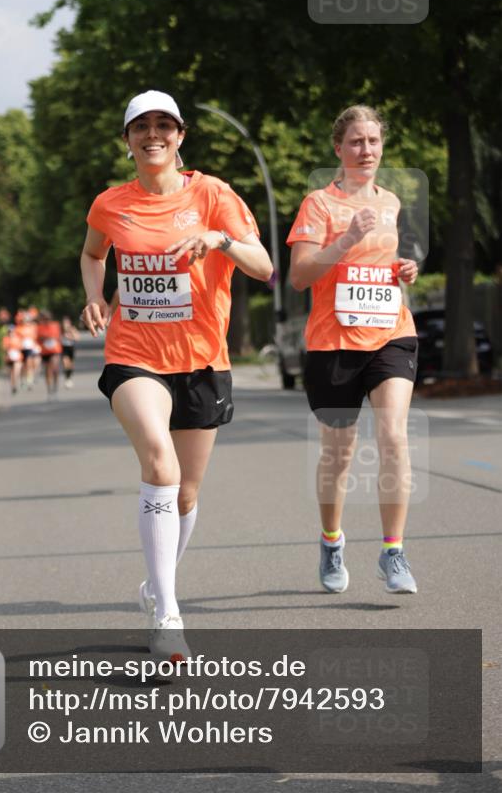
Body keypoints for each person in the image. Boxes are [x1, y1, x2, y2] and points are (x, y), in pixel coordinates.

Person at [81, 89, 273, 664]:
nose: (153, 134)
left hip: (201, 360)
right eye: (141, 126)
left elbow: (263, 267)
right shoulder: (110, 204)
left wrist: (220, 239)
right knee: (158, 464)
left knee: (185, 492)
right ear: (127, 140)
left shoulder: (212, 194)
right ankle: (167, 613)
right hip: (134, 354)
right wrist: (95, 295)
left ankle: (155, 587)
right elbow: (94, 255)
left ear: (181, 136)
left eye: (164, 125)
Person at [287, 104, 419, 595]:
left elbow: (387, 264)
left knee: (394, 437)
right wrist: (345, 239)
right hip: (333, 342)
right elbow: (301, 275)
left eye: (373, 141)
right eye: (356, 142)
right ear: (338, 149)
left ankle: (393, 552)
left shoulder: (392, 203)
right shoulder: (318, 205)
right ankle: (331, 540)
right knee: (338, 456)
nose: (366, 150)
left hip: (390, 332)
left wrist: (405, 271)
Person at [37, 310, 62, 394]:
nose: (46, 320)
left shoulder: (55, 325)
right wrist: (44, 338)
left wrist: (47, 337)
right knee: (47, 371)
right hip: (44, 351)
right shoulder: (39, 327)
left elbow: (57, 336)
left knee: (55, 368)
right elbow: (38, 338)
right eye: (44, 319)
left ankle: (55, 386)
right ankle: (49, 388)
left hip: (55, 350)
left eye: (47, 319)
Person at [2, 325, 23, 394]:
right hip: (8, 358)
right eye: (9, 331)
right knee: (11, 374)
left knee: (16, 372)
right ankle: (13, 386)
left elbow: (21, 347)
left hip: (17, 358)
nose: (11, 332)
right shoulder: (5, 339)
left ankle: (15, 384)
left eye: (12, 331)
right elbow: (4, 348)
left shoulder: (18, 338)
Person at [60, 316, 79, 388]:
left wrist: (70, 336)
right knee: (65, 363)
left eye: (67, 322)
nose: (65, 324)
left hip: (71, 348)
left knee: (70, 365)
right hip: (63, 348)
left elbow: (77, 338)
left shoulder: (72, 329)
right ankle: (67, 379)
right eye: (64, 323)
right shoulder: (60, 330)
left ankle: (69, 377)